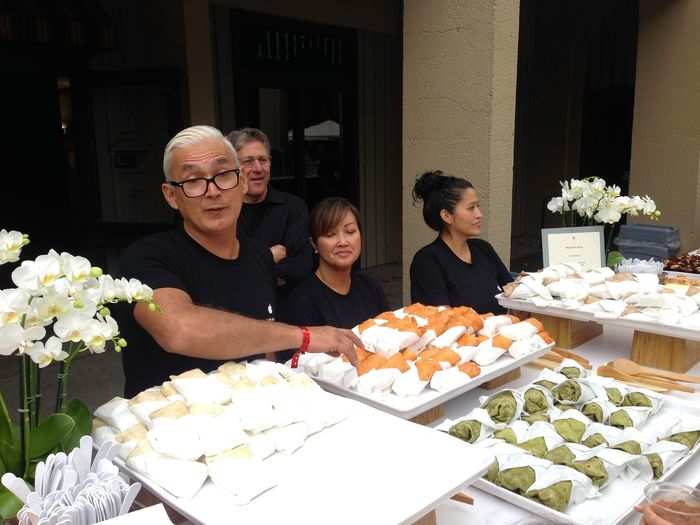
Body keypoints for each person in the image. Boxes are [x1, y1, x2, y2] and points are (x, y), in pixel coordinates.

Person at [118, 125, 359, 397]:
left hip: (250, 423)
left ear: (242, 182)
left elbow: (265, 343)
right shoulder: (145, 258)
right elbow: (179, 329)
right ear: (171, 195)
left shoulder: (257, 256)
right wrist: (304, 336)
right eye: (193, 180)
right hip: (168, 427)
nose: (212, 191)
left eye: (223, 175)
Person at [409, 170, 513, 314]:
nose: (479, 214)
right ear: (447, 216)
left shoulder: (483, 248)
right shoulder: (427, 260)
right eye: (471, 208)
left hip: (502, 334)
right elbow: (441, 318)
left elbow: (512, 290)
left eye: (478, 206)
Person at [226, 128, 313, 291]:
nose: (258, 168)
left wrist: (247, 268)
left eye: (263, 160)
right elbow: (223, 273)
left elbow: (301, 268)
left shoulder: (293, 208)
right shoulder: (223, 212)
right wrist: (270, 256)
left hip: (286, 308)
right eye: (248, 161)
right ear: (232, 167)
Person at [281, 197, 389, 329]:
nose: (343, 242)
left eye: (350, 232)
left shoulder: (371, 287)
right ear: (314, 244)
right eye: (330, 234)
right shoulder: (301, 301)